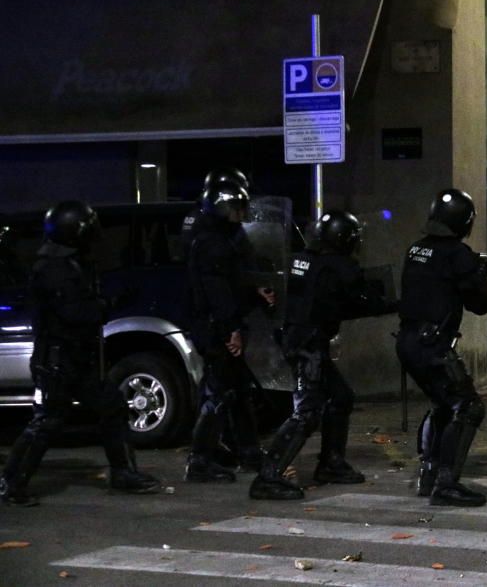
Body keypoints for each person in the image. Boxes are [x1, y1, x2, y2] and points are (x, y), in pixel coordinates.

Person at [0, 201, 160, 506]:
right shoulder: (54, 268)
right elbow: (75, 312)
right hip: (60, 360)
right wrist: (106, 306)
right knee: (47, 421)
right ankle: (11, 482)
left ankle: (123, 473)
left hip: (77, 357)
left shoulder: (71, 262)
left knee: (111, 405)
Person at [250, 210, 396, 500]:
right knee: (307, 411)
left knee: (340, 397)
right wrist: (394, 303)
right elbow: (359, 301)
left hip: (295, 338)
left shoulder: (300, 260)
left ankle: (331, 463)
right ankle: (268, 475)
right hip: (309, 344)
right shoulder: (340, 266)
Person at [395, 189, 487, 507]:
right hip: (433, 345)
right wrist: (479, 275)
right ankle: (447, 483)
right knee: (467, 407)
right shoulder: (458, 254)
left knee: (443, 403)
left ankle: (429, 474)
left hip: (410, 341)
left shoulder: (416, 249)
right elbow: (480, 304)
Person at [181, 167, 270, 473]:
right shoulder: (210, 241)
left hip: (221, 321)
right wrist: (230, 328)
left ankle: (248, 452)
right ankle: (200, 459)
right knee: (218, 391)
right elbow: (216, 290)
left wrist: (256, 290)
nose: (239, 215)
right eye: (235, 208)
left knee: (237, 390)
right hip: (214, 325)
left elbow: (238, 274)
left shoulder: (223, 235)